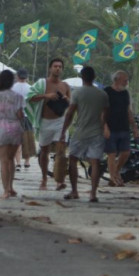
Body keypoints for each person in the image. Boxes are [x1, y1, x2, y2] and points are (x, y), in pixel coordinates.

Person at [61, 65, 110, 202]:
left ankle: (74, 191)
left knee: (73, 159)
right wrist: (104, 127)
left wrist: (63, 130)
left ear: (82, 77)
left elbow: (70, 113)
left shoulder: (77, 93)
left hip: (81, 132)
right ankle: (93, 193)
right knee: (95, 163)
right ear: (94, 77)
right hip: (97, 133)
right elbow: (105, 115)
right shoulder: (102, 94)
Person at [28, 58, 72, 191]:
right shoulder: (42, 83)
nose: (57, 68)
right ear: (50, 68)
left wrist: (66, 99)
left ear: (62, 69)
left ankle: (59, 180)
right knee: (44, 151)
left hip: (60, 122)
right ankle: (44, 178)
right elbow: (30, 97)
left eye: (60, 66)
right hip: (45, 121)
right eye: (55, 66)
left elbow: (71, 104)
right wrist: (46, 96)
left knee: (61, 150)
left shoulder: (65, 86)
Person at [0, 69, 25, 199]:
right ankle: (11, 187)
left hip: (0, 128)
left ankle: (5, 191)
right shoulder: (17, 97)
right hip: (15, 128)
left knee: (3, 161)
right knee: (11, 159)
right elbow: (20, 115)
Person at [102, 69, 139, 187]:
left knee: (126, 152)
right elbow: (101, 111)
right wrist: (104, 126)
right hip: (111, 127)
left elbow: (128, 110)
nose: (126, 83)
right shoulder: (107, 91)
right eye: (125, 80)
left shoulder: (125, 93)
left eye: (127, 81)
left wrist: (134, 127)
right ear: (117, 79)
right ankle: (113, 178)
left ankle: (116, 172)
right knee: (111, 154)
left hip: (124, 127)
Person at [11, 68, 37, 171]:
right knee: (27, 140)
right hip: (28, 116)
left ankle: (17, 163)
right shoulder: (31, 88)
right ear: (27, 77)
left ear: (17, 76)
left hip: (15, 116)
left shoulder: (12, 88)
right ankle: (27, 161)